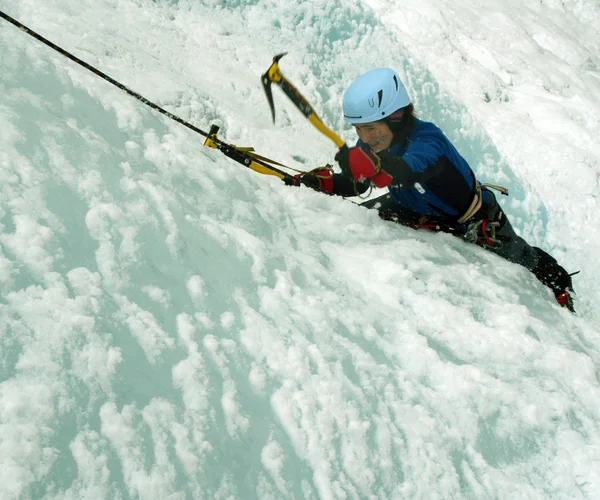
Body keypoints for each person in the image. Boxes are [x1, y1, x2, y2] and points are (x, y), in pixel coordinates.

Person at [288, 67, 577, 312]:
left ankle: (560, 284)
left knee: (522, 258)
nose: (366, 137)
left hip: (476, 221)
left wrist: (372, 166)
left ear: (397, 117)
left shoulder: (428, 141)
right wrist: (323, 183)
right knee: (353, 220)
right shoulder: (375, 144)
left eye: (373, 128)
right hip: (411, 206)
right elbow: (358, 184)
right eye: (360, 129)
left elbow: (407, 169)